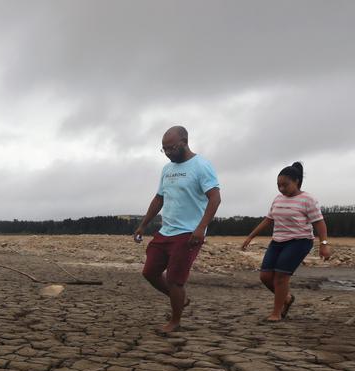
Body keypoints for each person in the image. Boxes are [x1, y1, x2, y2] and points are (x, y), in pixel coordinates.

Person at [132, 126, 221, 333]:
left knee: (175, 279)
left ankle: (175, 321)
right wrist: (143, 225)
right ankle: (181, 300)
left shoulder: (201, 166)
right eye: (164, 149)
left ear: (184, 142)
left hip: (188, 233)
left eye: (171, 148)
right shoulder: (167, 169)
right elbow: (159, 198)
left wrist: (201, 228)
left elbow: (215, 198)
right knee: (150, 272)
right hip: (166, 231)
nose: (168, 153)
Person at [239, 162, 332, 321]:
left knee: (281, 277)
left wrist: (324, 245)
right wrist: (250, 237)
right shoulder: (278, 199)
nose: (281, 189)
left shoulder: (307, 199)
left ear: (296, 181)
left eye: (285, 185)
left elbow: (319, 223)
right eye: (278, 185)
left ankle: (276, 313)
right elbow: (268, 220)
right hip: (277, 241)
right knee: (265, 276)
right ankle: (287, 298)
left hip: (299, 241)